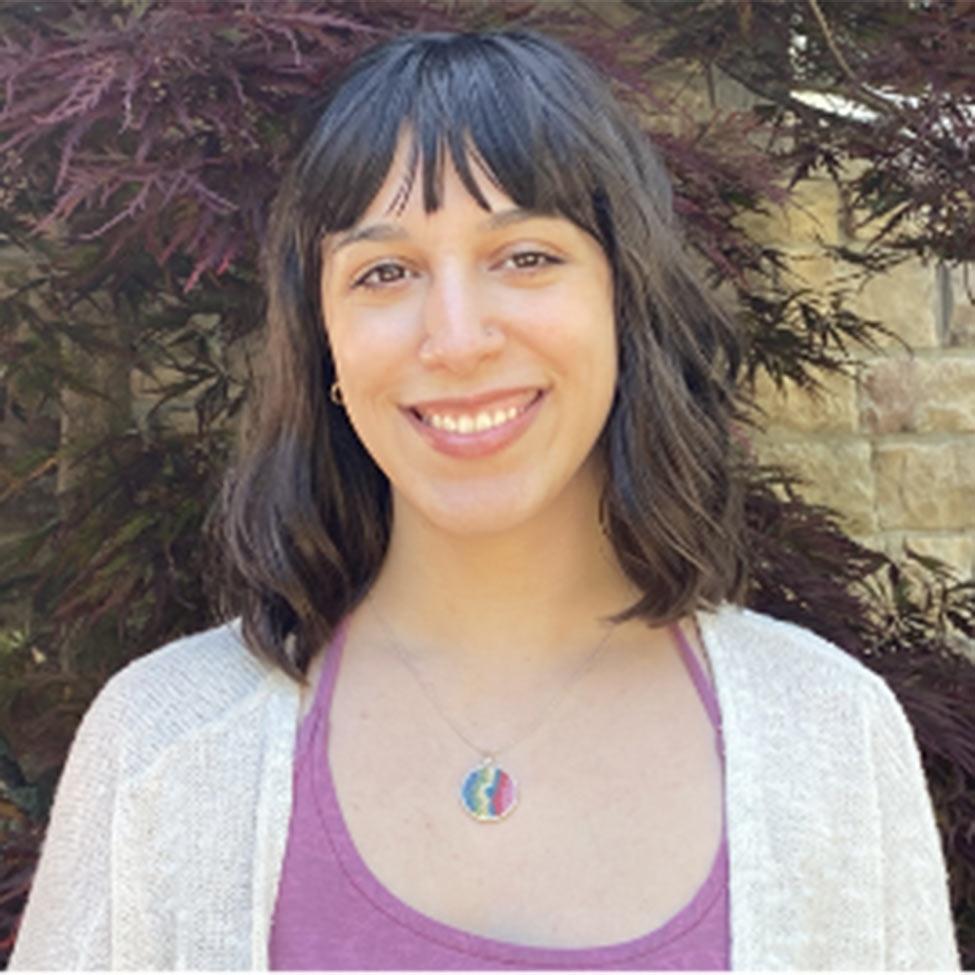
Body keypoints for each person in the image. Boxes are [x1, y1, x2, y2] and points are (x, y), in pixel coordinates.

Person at [10, 28, 959, 972]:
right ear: (324, 342)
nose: (456, 338)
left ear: (625, 304)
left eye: (526, 256)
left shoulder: (830, 737)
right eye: (385, 272)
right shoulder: (163, 749)